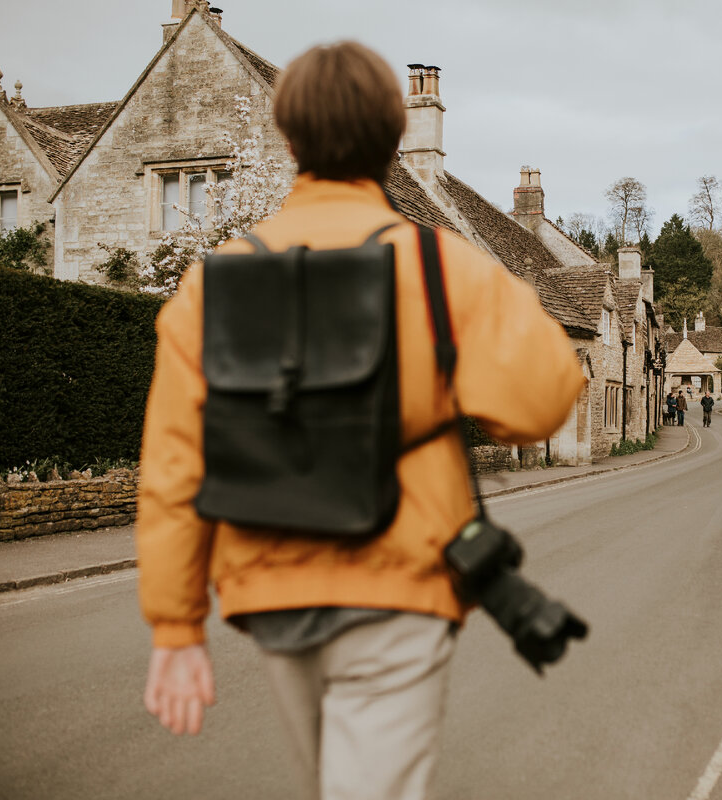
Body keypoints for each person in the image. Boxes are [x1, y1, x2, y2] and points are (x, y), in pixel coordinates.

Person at [135, 41, 585, 800]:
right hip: (399, 585)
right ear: (394, 140)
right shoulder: (446, 270)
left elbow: (175, 468)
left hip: (272, 594)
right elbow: (543, 400)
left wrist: (176, 627)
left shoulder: (210, 287)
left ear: (286, 141)